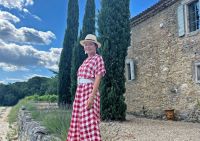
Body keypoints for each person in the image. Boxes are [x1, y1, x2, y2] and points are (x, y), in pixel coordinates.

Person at [67, 34, 106, 141]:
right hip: (80, 93)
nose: (88, 46)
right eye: (86, 44)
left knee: (89, 121)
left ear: (95, 46)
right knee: (78, 121)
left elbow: (98, 78)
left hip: (89, 91)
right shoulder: (85, 61)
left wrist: (92, 97)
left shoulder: (98, 58)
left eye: (90, 44)